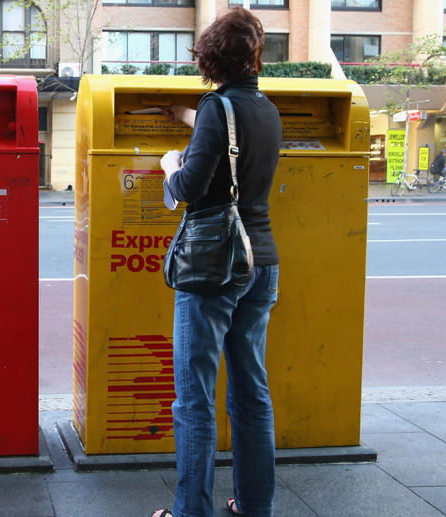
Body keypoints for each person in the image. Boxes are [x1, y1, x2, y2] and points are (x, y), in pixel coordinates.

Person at [152, 7, 282, 517]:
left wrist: (169, 165)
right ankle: (255, 506)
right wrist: (186, 116)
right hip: (262, 263)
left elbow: (190, 186)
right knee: (251, 393)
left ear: (209, 56)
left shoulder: (216, 109)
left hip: (214, 267)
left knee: (194, 399)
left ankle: (190, 512)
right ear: (253, 56)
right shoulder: (266, 109)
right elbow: (231, 136)